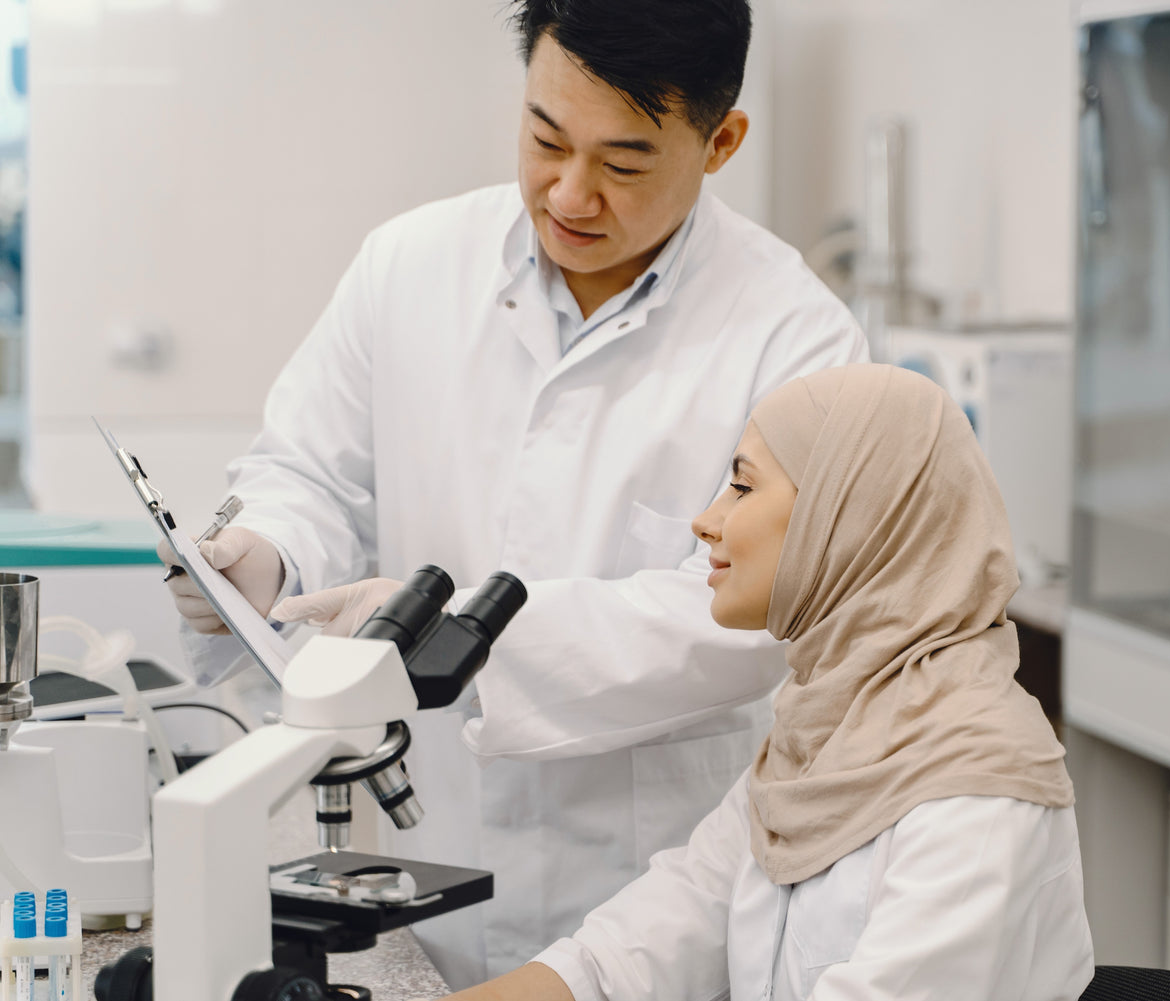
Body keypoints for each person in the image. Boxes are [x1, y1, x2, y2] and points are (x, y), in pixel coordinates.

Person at [157, 0, 866, 988]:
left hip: (654, 899)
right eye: (545, 138)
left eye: (623, 164)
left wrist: (467, 638)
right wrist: (264, 555)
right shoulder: (409, 264)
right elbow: (309, 472)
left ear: (721, 142)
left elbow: (753, 618)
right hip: (424, 859)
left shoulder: (796, 337)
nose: (570, 193)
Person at [440, 363, 1094, 1001]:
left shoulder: (974, 791)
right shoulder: (825, 728)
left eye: (742, 487)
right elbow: (646, 942)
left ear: (845, 517)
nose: (706, 521)